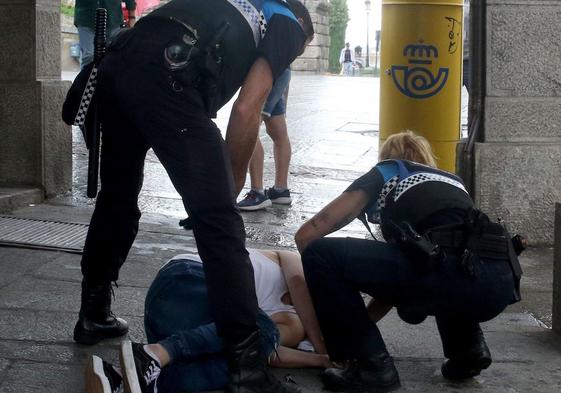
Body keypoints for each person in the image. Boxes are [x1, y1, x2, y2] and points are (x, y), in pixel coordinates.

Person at [71, 1, 315, 392]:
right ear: (302, 30)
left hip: (117, 68)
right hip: (168, 78)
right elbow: (249, 106)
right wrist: (229, 187)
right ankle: (247, 367)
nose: (291, 59)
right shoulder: (287, 21)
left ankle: (93, 312)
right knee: (219, 224)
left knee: (117, 197)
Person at [294, 131, 522, 392]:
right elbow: (394, 284)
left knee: (321, 253)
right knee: (447, 260)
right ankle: (468, 349)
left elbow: (310, 232)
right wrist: (354, 328)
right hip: (500, 283)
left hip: (445, 274)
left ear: (386, 157)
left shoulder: (388, 171)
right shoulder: (452, 181)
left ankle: (372, 369)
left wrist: (327, 328)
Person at [84, 249, 330, 393]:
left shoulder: (295, 323)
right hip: (187, 277)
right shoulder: (291, 260)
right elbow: (298, 282)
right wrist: (320, 345)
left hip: (177, 324)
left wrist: (322, 361)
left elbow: (262, 352)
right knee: (258, 328)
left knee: (243, 363)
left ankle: (120, 376)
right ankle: (156, 353)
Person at [238, 67, 294, 210]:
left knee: (250, 127)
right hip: (281, 71)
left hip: (264, 72)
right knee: (279, 132)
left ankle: (257, 193)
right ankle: (281, 190)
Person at [74, 0, 137, 69]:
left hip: (113, 20)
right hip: (86, 18)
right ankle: (87, 78)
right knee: (89, 55)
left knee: (112, 56)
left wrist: (132, 17)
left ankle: (107, 78)